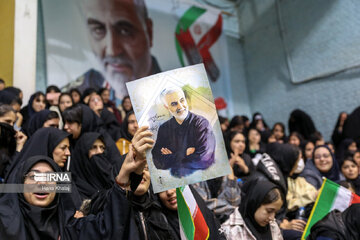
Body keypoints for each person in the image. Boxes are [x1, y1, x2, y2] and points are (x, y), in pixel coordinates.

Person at [0, 125, 154, 239]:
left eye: (51, 177)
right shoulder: (3, 222)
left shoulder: (71, 227)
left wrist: (124, 176)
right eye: (34, 177)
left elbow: (108, 228)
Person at [63, 0, 161, 102]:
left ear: (149, 33)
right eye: (98, 30)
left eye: (125, 31)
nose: (112, 51)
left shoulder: (171, 92)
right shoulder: (81, 90)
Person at [151, 86, 216, 177]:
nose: (180, 106)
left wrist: (172, 156)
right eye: (174, 104)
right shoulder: (164, 128)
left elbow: (204, 159)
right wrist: (184, 153)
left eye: (182, 100)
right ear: (166, 107)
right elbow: (157, 161)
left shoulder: (201, 124)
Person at [158, 187, 227, 240]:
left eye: (172, 184)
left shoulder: (202, 210)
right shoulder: (158, 227)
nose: (169, 192)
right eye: (161, 189)